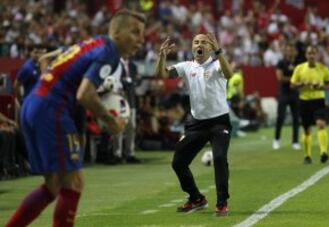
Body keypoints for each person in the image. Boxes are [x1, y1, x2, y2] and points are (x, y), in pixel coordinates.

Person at [5, 9, 146, 227]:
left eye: (142, 35)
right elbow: (85, 94)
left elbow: (46, 58)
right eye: (135, 33)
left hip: (32, 104)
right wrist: (112, 122)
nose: (141, 40)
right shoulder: (109, 51)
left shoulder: (92, 43)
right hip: (51, 109)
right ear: (116, 32)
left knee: (53, 186)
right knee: (73, 182)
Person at [155, 33, 233, 216]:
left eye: (204, 42)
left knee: (220, 158)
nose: (200, 44)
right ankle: (196, 198)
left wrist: (219, 52)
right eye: (196, 42)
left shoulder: (216, 65)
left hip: (219, 121)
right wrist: (162, 56)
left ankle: (222, 202)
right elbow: (162, 74)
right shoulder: (186, 66)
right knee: (178, 162)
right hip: (197, 124)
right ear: (192, 47)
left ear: (210, 47)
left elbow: (229, 74)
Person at [290, 45, 329, 165]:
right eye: (309, 53)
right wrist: (301, 83)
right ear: (306, 55)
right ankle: (307, 156)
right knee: (306, 129)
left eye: (314, 53)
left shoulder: (323, 68)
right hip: (304, 101)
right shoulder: (299, 68)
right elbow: (292, 85)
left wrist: (321, 86)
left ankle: (323, 152)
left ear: (317, 55)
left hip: (318, 100)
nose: (311, 56)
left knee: (321, 124)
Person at [273, 44, 301, 150]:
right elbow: (279, 78)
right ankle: (276, 139)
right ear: (285, 52)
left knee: (296, 118)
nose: (289, 52)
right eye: (288, 50)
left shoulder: (298, 64)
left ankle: (295, 141)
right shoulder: (281, 63)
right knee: (280, 117)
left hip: (295, 93)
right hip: (284, 93)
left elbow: (301, 77)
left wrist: (293, 80)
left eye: (291, 50)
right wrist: (294, 80)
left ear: (295, 52)